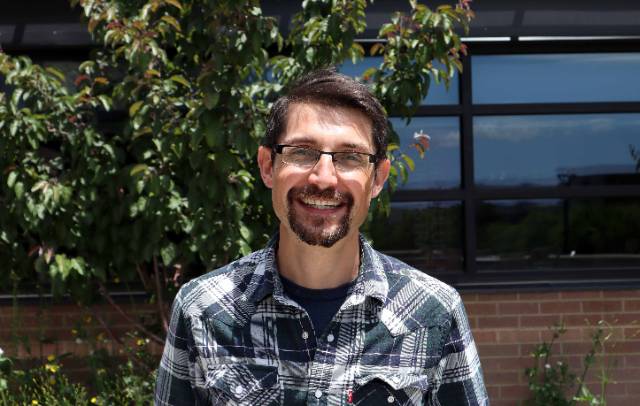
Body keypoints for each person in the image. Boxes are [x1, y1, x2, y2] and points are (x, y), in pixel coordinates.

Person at [155, 69, 488, 405]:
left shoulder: (434, 313)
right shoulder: (203, 310)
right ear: (268, 165)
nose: (324, 178)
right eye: (302, 152)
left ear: (378, 178)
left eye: (350, 157)